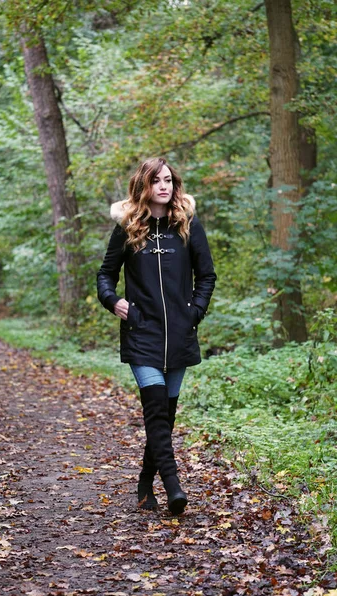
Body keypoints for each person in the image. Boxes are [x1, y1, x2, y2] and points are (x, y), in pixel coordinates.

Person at [97, 157, 216, 515]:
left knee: (165, 416)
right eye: (156, 181)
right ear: (143, 186)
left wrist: (193, 313)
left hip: (179, 335)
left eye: (168, 180)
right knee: (155, 411)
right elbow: (105, 275)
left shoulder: (188, 226)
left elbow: (207, 276)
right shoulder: (128, 228)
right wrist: (115, 302)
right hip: (142, 334)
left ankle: (145, 483)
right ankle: (174, 488)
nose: (163, 186)